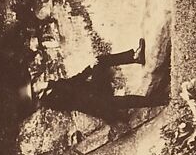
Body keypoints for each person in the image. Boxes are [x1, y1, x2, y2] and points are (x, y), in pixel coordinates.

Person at [37, 38, 166, 121]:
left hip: (95, 91)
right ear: (35, 94)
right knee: (123, 101)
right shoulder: (50, 102)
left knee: (99, 61)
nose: (37, 83)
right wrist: (49, 83)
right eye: (34, 86)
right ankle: (159, 100)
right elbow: (70, 91)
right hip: (96, 103)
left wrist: (90, 67)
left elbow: (75, 80)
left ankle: (134, 57)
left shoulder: (51, 88)